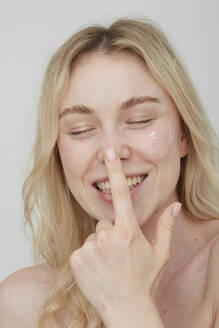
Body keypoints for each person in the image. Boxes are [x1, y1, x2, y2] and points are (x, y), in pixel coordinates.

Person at [1, 17, 219, 328]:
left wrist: (128, 306)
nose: (111, 152)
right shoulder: (21, 304)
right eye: (80, 130)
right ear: (58, 154)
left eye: (140, 120)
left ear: (184, 134)